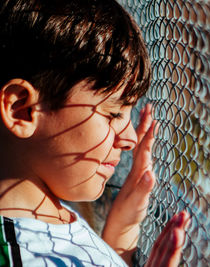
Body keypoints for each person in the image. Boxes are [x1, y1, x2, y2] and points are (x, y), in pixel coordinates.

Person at [0, 0, 190, 266]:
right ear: (23, 110)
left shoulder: (52, 215)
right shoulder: (27, 256)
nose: (130, 139)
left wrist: (121, 230)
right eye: (113, 114)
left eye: (129, 113)